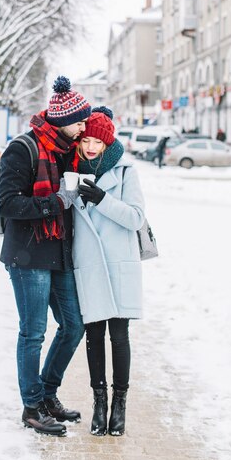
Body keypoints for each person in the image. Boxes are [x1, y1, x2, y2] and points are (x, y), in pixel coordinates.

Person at [0, 75, 91, 437]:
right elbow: (8, 204)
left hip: (60, 254)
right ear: (62, 119)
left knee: (73, 326)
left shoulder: (70, 151)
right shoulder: (24, 149)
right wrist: (55, 202)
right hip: (28, 256)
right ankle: (32, 406)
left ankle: (48, 395)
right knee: (33, 333)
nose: (83, 126)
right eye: (79, 120)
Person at [71, 106, 145, 437]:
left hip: (118, 263)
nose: (89, 147)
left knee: (119, 335)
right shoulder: (71, 170)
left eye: (96, 143)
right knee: (94, 335)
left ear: (106, 143)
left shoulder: (126, 171)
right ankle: (99, 403)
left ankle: (120, 404)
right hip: (87, 263)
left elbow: (135, 218)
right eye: (85, 140)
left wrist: (102, 199)